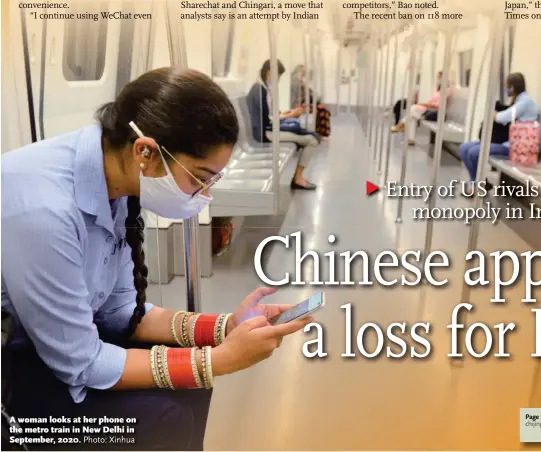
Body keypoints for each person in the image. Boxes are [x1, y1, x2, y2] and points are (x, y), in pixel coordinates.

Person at [1, 67, 312, 451]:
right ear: (145, 151)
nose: (206, 195)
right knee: (165, 417)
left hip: (62, 342)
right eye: (200, 178)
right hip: (15, 378)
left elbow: (122, 314)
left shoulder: (118, 185)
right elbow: (80, 363)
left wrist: (225, 328)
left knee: (193, 386)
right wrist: (219, 360)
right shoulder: (44, 211)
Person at [458, 72, 538, 194]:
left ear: (512, 87)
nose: (506, 89)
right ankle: (478, 182)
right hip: (507, 142)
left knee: (474, 153)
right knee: (464, 148)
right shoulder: (519, 101)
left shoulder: (525, 102)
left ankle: (477, 184)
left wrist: (494, 114)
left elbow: (503, 118)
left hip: (516, 147)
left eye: (507, 86)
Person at [248, 60, 318, 190]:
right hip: (265, 133)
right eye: (278, 76)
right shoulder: (259, 91)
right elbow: (267, 120)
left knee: (306, 135)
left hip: (268, 129)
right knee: (311, 140)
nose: (278, 80)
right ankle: (298, 178)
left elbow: (271, 115)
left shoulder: (263, 89)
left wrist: (288, 113)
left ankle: (298, 177)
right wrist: (290, 115)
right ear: (269, 74)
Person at [390, 71, 451, 146]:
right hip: (429, 109)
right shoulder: (439, 90)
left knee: (413, 110)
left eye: (440, 77)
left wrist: (422, 104)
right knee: (412, 115)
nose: (438, 79)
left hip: (436, 112)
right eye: (438, 77)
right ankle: (408, 135)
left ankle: (401, 125)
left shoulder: (447, 91)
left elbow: (436, 105)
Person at [290, 64, 331, 138]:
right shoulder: (295, 80)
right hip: (299, 104)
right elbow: (298, 96)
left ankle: (320, 131)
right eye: (303, 71)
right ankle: (322, 132)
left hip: (304, 102)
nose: (304, 73)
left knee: (322, 108)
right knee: (322, 110)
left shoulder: (299, 80)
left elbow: (306, 92)